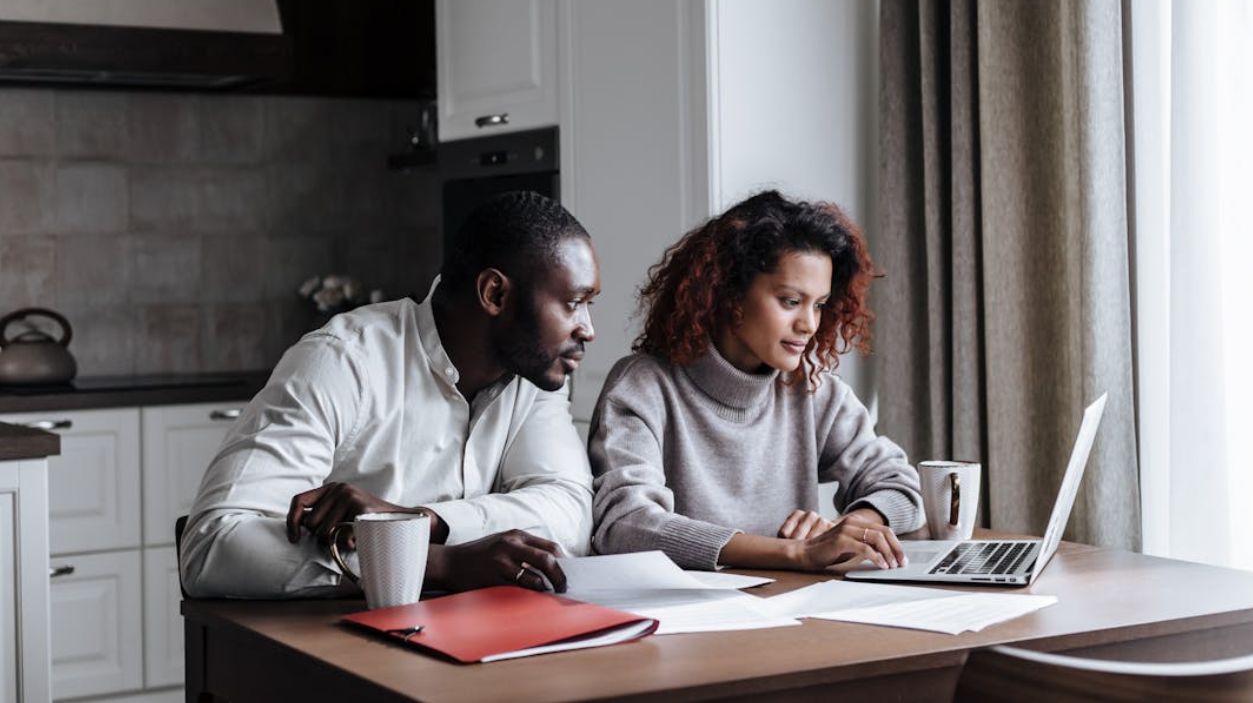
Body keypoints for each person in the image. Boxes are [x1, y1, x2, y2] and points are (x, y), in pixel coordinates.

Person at [180, 191, 600, 598]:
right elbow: (213, 545)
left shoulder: (532, 373)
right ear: (495, 294)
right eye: (573, 303)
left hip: (473, 646)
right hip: (335, 651)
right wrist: (441, 563)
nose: (588, 329)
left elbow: (569, 516)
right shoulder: (342, 361)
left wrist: (420, 521)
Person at [589, 190, 924, 572]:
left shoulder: (813, 390)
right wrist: (797, 554)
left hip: (794, 613)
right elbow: (626, 524)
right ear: (729, 294)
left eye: (818, 304)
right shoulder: (642, 387)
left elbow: (900, 485)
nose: (810, 324)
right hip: (684, 621)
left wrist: (853, 529)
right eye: (790, 301)